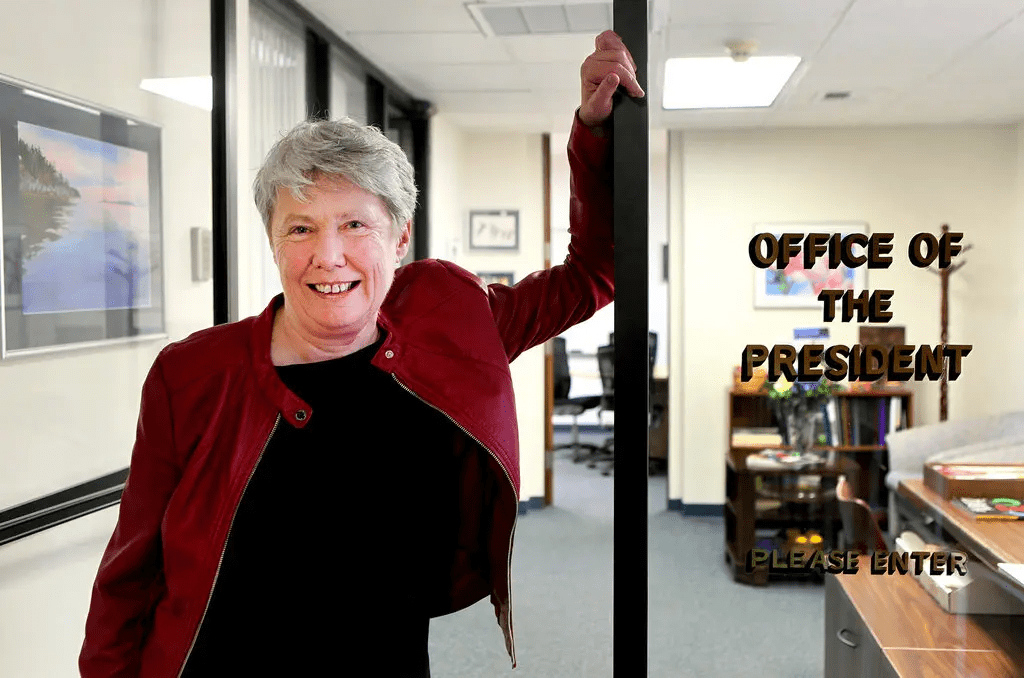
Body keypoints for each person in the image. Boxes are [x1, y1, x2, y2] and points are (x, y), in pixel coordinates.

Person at [79, 30, 643, 677]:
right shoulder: (192, 375)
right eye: (301, 228)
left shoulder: (451, 323)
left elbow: (595, 272)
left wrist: (595, 133)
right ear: (273, 239)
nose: (329, 256)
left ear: (400, 236)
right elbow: (127, 579)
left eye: (354, 224)